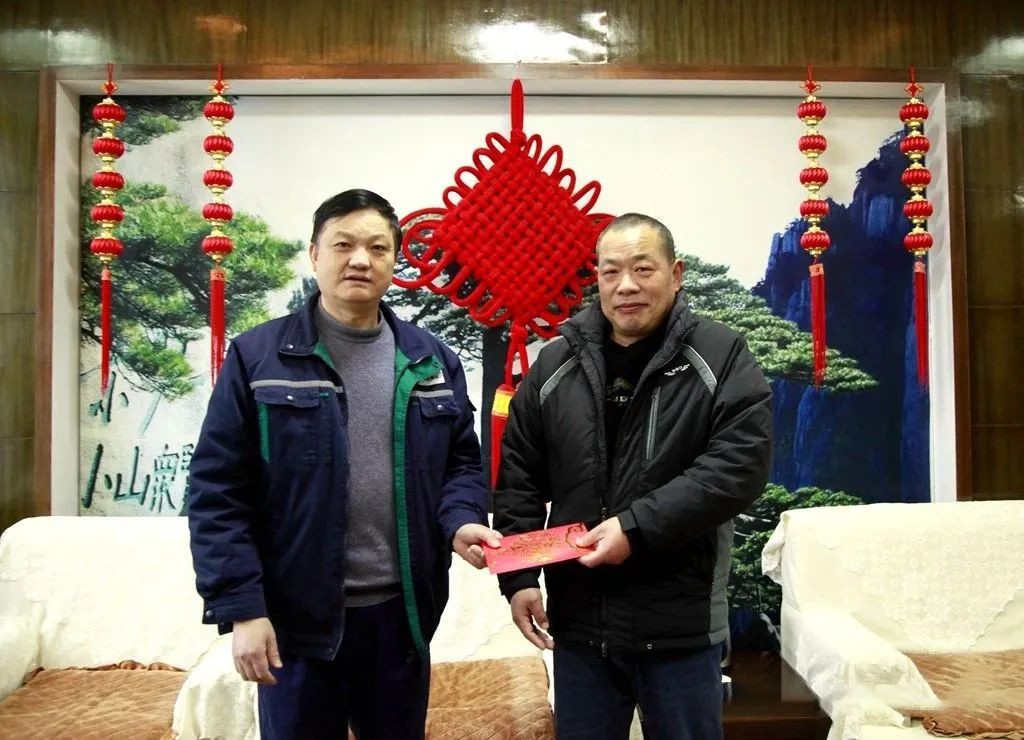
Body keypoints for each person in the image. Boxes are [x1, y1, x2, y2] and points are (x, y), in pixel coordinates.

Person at [188, 188, 499, 740]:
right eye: (343, 245)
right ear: (315, 254)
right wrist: (243, 609)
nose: (361, 259)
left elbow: (461, 464)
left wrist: (461, 521)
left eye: (378, 248)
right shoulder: (257, 357)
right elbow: (218, 492)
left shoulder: (431, 360)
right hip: (297, 623)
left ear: (394, 260)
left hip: (402, 617)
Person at [493, 213, 772, 739]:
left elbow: (739, 466)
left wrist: (635, 527)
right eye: (611, 271)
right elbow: (520, 477)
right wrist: (519, 578)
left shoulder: (720, 355)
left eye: (643, 269)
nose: (626, 285)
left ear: (675, 273)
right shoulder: (555, 364)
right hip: (580, 625)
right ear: (597, 279)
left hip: (680, 625)